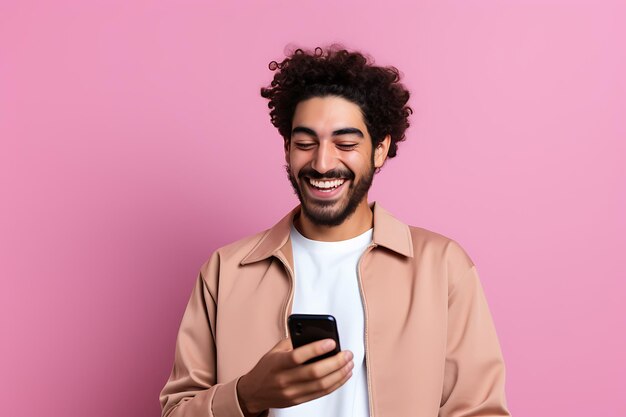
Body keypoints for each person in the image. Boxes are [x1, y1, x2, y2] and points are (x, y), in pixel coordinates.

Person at [160, 46, 511, 417]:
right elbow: (176, 412)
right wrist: (247, 395)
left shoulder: (441, 266)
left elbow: (479, 410)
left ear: (380, 149)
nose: (322, 163)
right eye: (305, 143)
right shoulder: (226, 270)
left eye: (345, 144)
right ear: (286, 149)